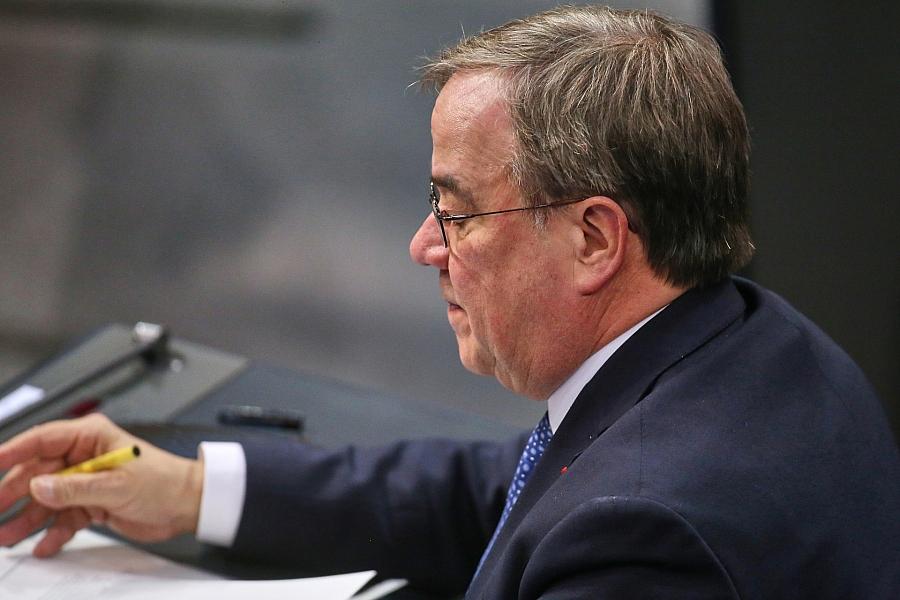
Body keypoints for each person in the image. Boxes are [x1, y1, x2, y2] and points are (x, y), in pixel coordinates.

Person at [1, 6, 898, 598]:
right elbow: (497, 493)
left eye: (458, 211)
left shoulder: (644, 537)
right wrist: (195, 490)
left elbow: (578, 517)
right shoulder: (750, 341)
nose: (424, 246)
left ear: (595, 238)